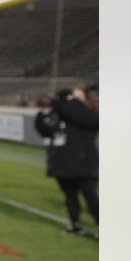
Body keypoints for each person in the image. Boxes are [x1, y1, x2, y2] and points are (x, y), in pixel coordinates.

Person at [35, 83, 98, 234]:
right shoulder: (60, 113)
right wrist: (43, 112)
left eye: (78, 97)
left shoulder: (90, 115)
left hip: (84, 164)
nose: (73, 101)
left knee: (90, 196)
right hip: (63, 163)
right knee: (70, 196)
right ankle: (75, 224)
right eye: (72, 97)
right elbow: (45, 130)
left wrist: (62, 104)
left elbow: (80, 118)